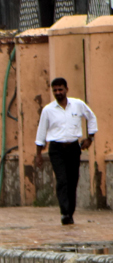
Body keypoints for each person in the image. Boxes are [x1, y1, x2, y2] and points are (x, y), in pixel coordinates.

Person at [35, 77, 97, 226]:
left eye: (60, 89)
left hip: (74, 148)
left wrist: (90, 138)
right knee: (62, 180)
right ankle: (64, 212)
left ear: (66, 89)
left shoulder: (78, 105)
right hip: (56, 149)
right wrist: (38, 154)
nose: (58, 92)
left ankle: (70, 212)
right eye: (55, 90)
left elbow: (91, 118)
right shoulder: (48, 110)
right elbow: (41, 132)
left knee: (72, 180)